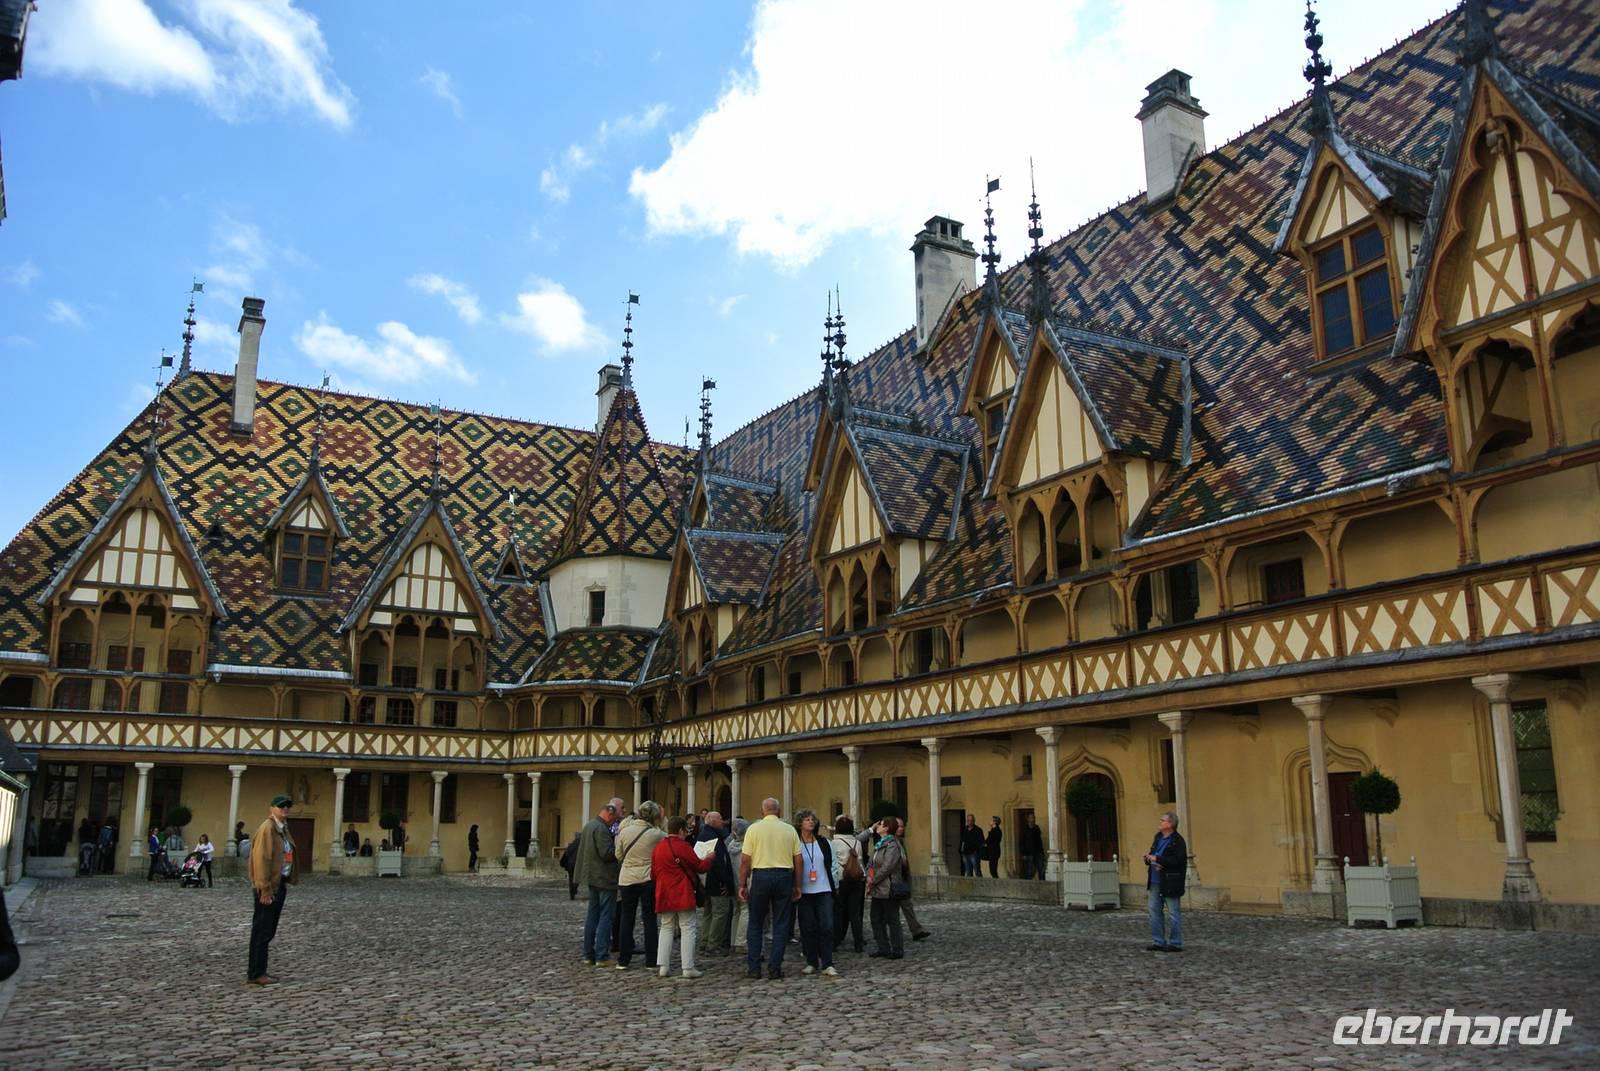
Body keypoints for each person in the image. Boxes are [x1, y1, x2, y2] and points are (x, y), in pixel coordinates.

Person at [739, 797, 802, 980]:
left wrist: (742, 883)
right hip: (783, 875)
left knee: (756, 922)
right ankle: (775, 967)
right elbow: (798, 860)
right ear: (779, 811)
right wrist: (797, 884)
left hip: (760, 876)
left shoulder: (753, 829)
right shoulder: (789, 829)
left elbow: (745, 860)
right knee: (781, 923)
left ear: (762, 811)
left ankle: (754, 967)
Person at [653, 815, 712, 979]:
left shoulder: (659, 847)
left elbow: (653, 872)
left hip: (664, 891)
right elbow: (700, 866)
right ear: (680, 830)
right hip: (682, 891)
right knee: (688, 928)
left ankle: (663, 966)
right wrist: (709, 859)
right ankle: (688, 967)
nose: (687, 833)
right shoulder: (683, 846)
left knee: (666, 928)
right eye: (685, 830)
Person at [247, 794, 297, 985]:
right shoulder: (267, 829)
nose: (285, 809)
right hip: (268, 887)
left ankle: (259, 970)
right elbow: (261, 859)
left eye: (287, 806)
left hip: (278, 883)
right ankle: (256, 973)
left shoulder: (281, 829)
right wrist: (265, 888)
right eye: (281, 806)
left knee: (268, 930)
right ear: (272, 808)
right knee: (262, 930)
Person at [615, 801, 665, 971]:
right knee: (649, 918)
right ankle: (651, 960)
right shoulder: (655, 834)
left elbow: (618, 854)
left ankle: (623, 959)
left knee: (626, 918)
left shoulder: (624, 832)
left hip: (627, 878)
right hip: (646, 878)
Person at [573, 801, 620, 966]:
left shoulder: (590, 825)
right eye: (614, 818)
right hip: (603, 878)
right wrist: (618, 848)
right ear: (609, 813)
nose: (614, 822)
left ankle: (588, 953)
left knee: (593, 915)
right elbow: (606, 853)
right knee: (606, 916)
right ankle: (601, 955)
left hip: (592, 876)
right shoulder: (600, 828)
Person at [793, 809, 839, 977]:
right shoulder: (795, 843)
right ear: (799, 823)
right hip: (804, 891)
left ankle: (827, 963)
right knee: (808, 927)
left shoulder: (823, 842)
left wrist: (835, 883)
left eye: (812, 819)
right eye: (806, 819)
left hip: (824, 889)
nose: (810, 822)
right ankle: (811, 961)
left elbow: (832, 863)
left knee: (827, 926)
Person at [1144, 811, 1188, 952]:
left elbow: (1179, 861)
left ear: (1170, 824)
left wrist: (1158, 860)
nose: (1160, 822)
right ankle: (1158, 941)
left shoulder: (1177, 841)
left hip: (1170, 881)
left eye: (1162, 820)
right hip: (1155, 880)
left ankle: (1175, 943)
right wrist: (1148, 858)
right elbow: (1154, 854)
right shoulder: (1158, 837)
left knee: (1173, 912)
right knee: (1154, 910)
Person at [865, 817, 905, 959]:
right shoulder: (879, 844)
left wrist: (873, 880)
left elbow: (888, 866)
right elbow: (871, 863)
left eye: (880, 824)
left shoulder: (892, 845)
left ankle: (897, 949)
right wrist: (869, 875)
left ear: (887, 828)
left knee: (892, 919)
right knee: (875, 918)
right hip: (877, 888)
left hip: (888, 887)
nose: (877, 826)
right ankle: (883, 947)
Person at [697, 810, 735, 954]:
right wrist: (725, 882)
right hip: (715, 880)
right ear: (713, 822)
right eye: (720, 819)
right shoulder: (714, 838)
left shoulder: (703, 834)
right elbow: (719, 863)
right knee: (719, 912)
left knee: (708, 912)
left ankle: (705, 941)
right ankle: (713, 944)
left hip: (705, 879)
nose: (723, 822)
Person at [830, 816, 866, 954]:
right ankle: (858, 942)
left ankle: (835, 941)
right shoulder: (856, 843)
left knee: (838, 912)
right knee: (854, 913)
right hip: (856, 879)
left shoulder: (834, 843)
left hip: (841, 879)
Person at [726, 818, 749, 951]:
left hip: (733, 881)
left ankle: (733, 940)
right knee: (746, 910)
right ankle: (741, 941)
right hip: (742, 881)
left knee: (736, 910)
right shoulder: (745, 847)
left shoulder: (731, 846)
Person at [1021, 813, 1046, 881]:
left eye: (1033, 818)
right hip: (1029, 853)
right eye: (1031, 818)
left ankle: (1042, 884)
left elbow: (1039, 841)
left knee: (1041, 870)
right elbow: (1023, 842)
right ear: (1028, 819)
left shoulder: (1037, 828)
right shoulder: (1025, 829)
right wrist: (1023, 854)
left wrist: (1042, 852)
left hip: (1038, 852)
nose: (1033, 819)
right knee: (1029, 871)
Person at [559, 832, 581, 899]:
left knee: (571, 879)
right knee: (577, 878)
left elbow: (566, 854)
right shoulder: (581, 845)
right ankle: (574, 890)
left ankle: (572, 893)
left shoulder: (571, 845)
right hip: (577, 864)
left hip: (570, 864)